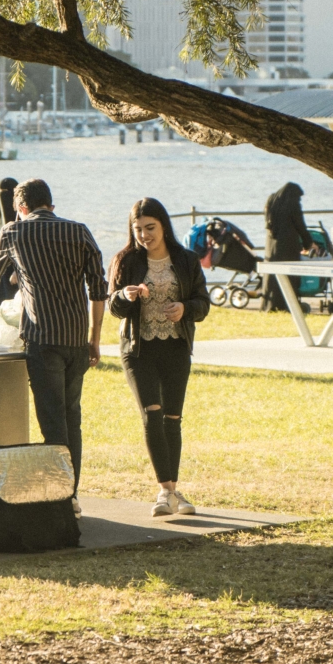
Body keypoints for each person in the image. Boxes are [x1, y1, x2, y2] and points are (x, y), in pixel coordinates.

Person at [0, 178, 109, 494]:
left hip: (42, 339)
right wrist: (95, 338)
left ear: (21, 208)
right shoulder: (79, 231)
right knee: (70, 418)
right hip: (76, 339)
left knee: (52, 424)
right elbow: (99, 288)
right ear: (51, 204)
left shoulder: (14, 232)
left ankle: (63, 497)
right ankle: (71, 493)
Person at [107, 198, 211, 517]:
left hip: (175, 347)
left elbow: (202, 303)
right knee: (152, 413)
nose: (144, 235)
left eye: (149, 228)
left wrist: (185, 309)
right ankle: (166, 492)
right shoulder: (125, 260)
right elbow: (113, 306)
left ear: (164, 226)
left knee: (173, 419)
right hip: (138, 349)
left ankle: (174, 490)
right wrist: (125, 296)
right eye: (137, 229)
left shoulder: (186, 259)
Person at [261, 182, 312, 310]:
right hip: (288, 245)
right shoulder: (292, 203)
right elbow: (300, 224)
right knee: (289, 275)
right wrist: (308, 243)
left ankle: (269, 304)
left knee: (272, 277)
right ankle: (287, 305)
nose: (299, 200)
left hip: (271, 245)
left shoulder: (271, 199)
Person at [0, 177, 21, 309]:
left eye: (7, 193)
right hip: (1, 269)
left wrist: (17, 269)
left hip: (18, 268)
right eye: (2, 193)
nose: (4, 197)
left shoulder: (23, 219)